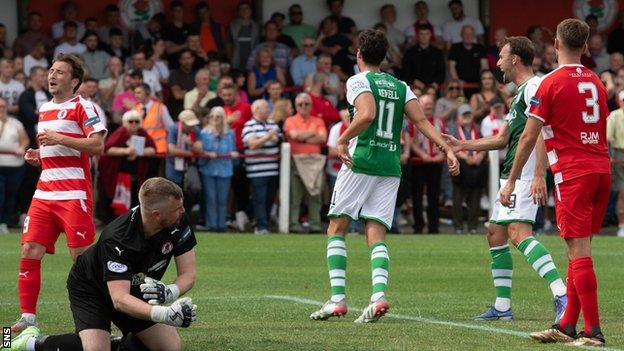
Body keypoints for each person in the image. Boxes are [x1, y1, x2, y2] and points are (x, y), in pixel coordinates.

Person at [309, 29, 459, 323]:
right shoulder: (401, 85)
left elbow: (365, 114)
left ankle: (337, 300)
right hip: (390, 166)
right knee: (376, 232)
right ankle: (378, 296)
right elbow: (421, 121)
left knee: (337, 227)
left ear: (359, 55)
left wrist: (342, 140)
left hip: (361, 160)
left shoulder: (358, 80)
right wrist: (445, 148)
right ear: (385, 56)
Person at [499, 19, 610, 347]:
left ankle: (593, 331)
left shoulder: (549, 83)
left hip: (573, 174)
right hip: (600, 169)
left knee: (579, 253)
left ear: (557, 46)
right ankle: (566, 325)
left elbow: (528, 139)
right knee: (578, 251)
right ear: (586, 47)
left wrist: (511, 182)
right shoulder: (596, 81)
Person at [443, 36, 567, 321]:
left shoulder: (534, 87)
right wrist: (462, 145)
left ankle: (561, 292)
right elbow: (502, 139)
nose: (497, 63)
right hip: (512, 174)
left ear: (515, 59)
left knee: (518, 234)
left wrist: (538, 174)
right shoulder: (519, 93)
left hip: (523, 175)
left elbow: (540, 132)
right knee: (495, 233)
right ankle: (502, 306)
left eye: (501, 56)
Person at [9, 177, 198, 351]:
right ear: (156, 215)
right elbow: (119, 299)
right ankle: (29, 341)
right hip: (91, 288)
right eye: (177, 209)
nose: (183, 211)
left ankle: (116, 343)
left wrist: (170, 291)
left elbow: (188, 273)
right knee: (96, 349)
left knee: (169, 346)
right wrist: (164, 314)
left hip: (130, 284)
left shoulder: (178, 221)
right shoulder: (117, 238)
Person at [11, 54, 107, 333]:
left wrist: (57, 139)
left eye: (60, 72)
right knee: (29, 249)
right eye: (51, 71)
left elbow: (97, 146)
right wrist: (41, 154)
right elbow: (60, 147)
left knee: (83, 260)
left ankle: (101, 321)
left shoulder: (84, 106)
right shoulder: (43, 108)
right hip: (44, 192)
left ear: (75, 81)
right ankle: (27, 319)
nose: (52, 76)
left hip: (73, 193)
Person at [97, 110, 156, 223]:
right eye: (130, 121)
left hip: (136, 174)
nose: (133, 124)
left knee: (135, 198)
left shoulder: (143, 133)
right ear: (125, 123)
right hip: (119, 175)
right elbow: (109, 149)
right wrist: (126, 151)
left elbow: (152, 150)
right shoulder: (120, 133)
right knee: (117, 199)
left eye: (136, 121)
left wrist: (139, 151)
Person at [284, 93, 327, 233]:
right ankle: (294, 224)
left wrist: (301, 137)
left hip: (315, 161)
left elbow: (322, 138)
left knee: (315, 195)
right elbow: (293, 135)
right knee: (295, 195)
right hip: (296, 160)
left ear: (311, 105)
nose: (303, 106)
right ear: (296, 106)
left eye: (306, 104)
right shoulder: (290, 120)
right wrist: (311, 134)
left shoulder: (318, 120)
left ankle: (315, 224)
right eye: (300, 104)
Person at [242, 99, 282, 235]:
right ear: (256, 110)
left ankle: (261, 222)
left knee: (270, 198)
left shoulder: (272, 124)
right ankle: (261, 226)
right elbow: (252, 145)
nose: (268, 110)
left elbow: (279, 140)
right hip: (256, 171)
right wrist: (268, 137)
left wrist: (269, 138)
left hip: (272, 169)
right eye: (265, 107)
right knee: (259, 198)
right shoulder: (249, 125)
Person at [409, 94, 445, 234]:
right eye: (425, 103)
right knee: (417, 196)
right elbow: (410, 142)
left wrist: (440, 155)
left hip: (435, 163)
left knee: (434, 196)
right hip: (419, 163)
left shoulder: (439, 121)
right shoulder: (414, 121)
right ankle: (418, 227)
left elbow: (444, 140)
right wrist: (423, 155)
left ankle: (434, 227)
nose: (428, 106)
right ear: (419, 105)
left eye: (430, 103)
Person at [199, 107, 236, 232]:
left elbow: (232, 149)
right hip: (209, 169)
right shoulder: (204, 133)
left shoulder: (230, 133)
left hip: (225, 169)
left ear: (223, 119)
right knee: (211, 198)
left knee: (222, 199)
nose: (215, 119)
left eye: (218, 117)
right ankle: (212, 225)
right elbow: (200, 150)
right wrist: (207, 153)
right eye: (213, 116)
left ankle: (221, 225)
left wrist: (233, 153)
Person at [0, 97, 29, 233]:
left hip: (15, 164)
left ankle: (4, 222)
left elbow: (24, 140)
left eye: (3, 107)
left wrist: (22, 148)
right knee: (0, 194)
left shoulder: (15, 123)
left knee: (11, 195)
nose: (1, 109)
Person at [607, 90, 624, 237]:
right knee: (622, 192)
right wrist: (610, 156)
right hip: (619, 154)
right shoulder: (615, 115)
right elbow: (608, 138)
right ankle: (622, 225)